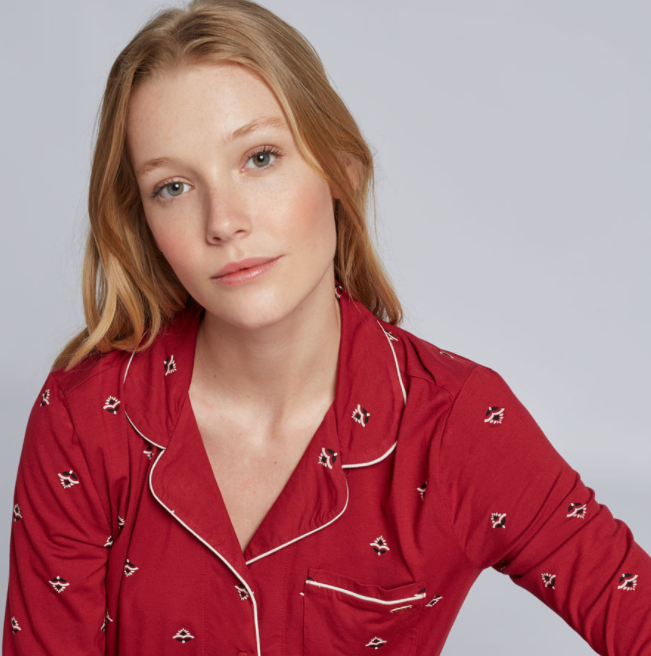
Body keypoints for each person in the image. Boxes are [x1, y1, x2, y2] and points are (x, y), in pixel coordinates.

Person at [3, 0, 650, 654]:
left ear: (340, 169)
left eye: (260, 158)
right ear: (142, 223)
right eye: (172, 187)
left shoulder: (456, 425)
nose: (223, 222)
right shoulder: (84, 422)